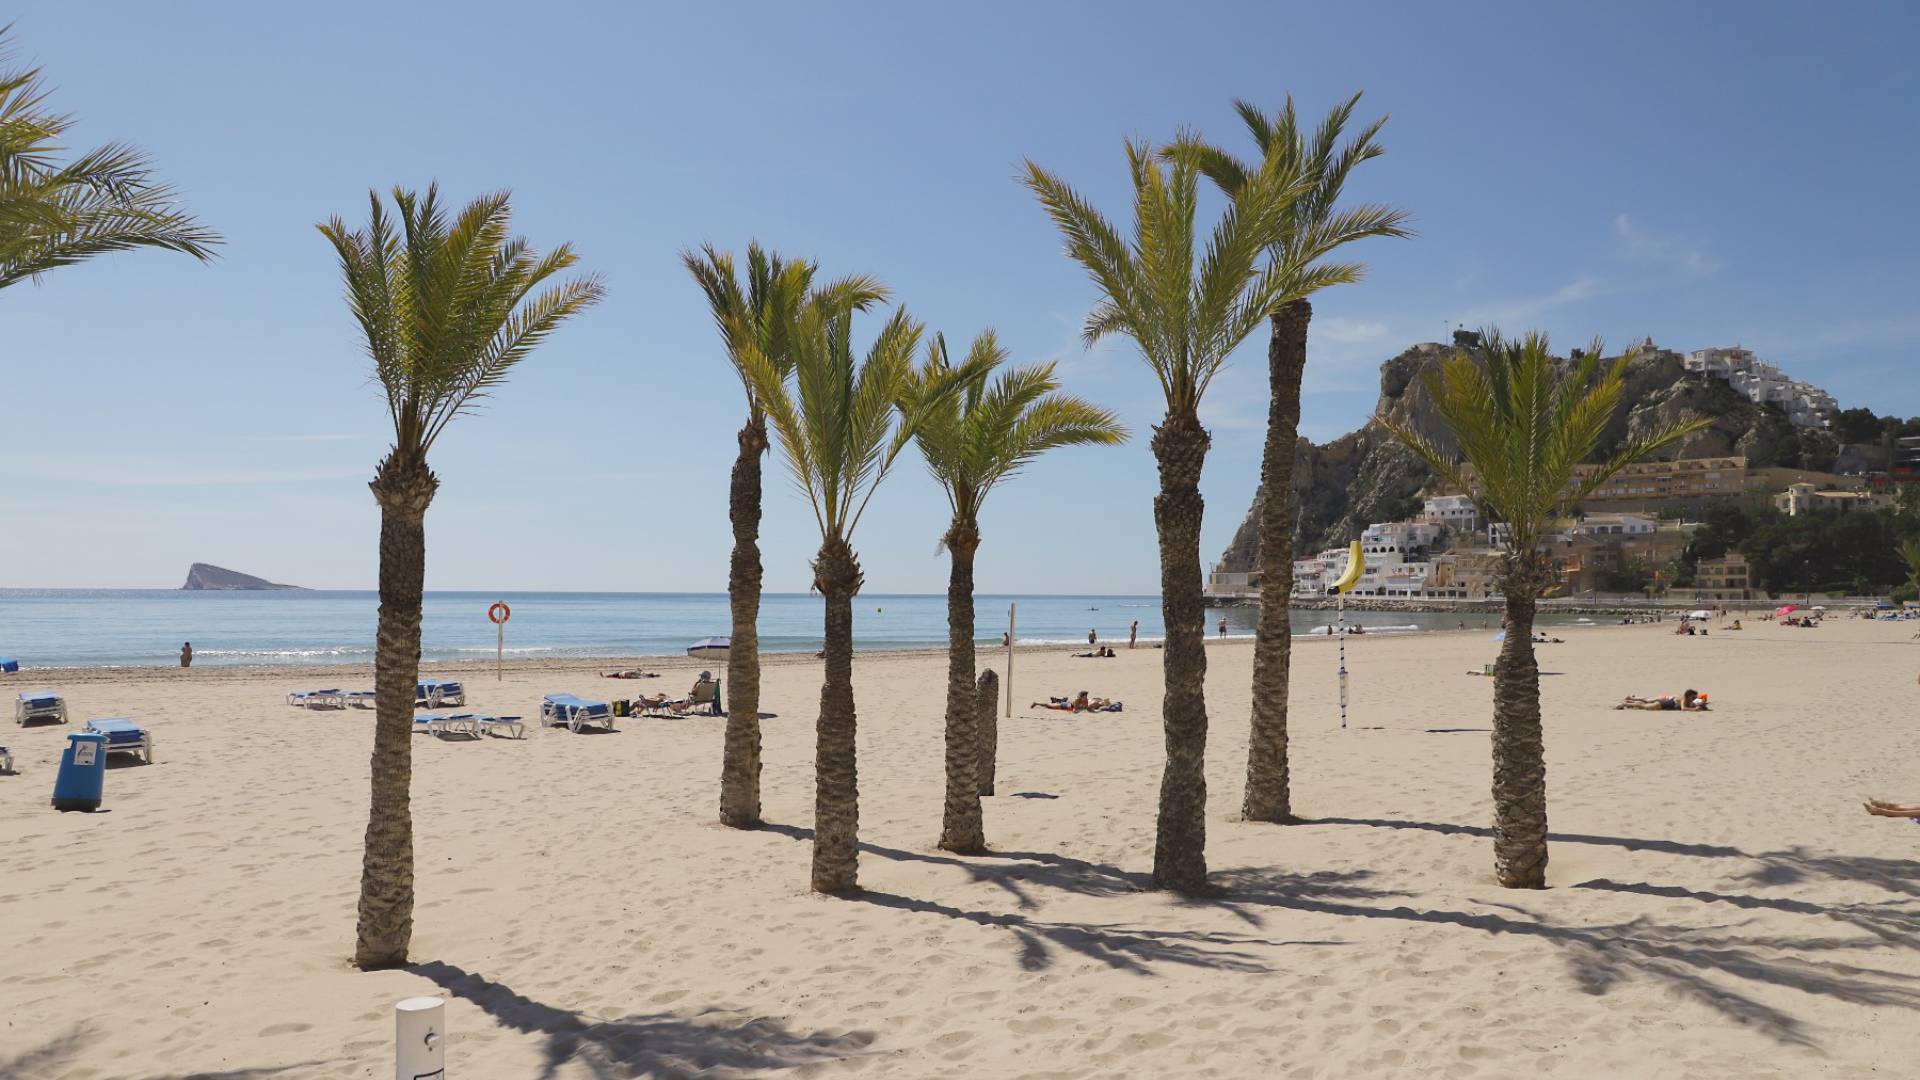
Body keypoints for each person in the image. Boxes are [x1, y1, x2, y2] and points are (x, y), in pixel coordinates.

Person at [1616, 689, 1709, 711]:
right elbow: (1683, 708)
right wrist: (1694, 710)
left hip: (1663, 703)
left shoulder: (1689, 700)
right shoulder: (1684, 699)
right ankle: (1625, 704)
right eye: (1693, 697)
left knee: (1643, 703)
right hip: (1661, 704)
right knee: (1643, 705)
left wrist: (1704, 707)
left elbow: (1701, 703)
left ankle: (1628, 702)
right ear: (1688, 696)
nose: (1695, 699)